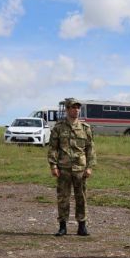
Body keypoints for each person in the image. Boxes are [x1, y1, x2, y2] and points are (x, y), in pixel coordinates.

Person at [48, 98, 96, 236]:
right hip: (64, 168)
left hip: (80, 168)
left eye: (78, 107)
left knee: (81, 197)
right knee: (63, 197)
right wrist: (53, 165)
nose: (76, 110)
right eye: (73, 107)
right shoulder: (58, 127)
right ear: (67, 109)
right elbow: (53, 148)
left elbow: (90, 149)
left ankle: (82, 226)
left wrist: (89, 167)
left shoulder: (85, 128)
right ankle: (62, 226)